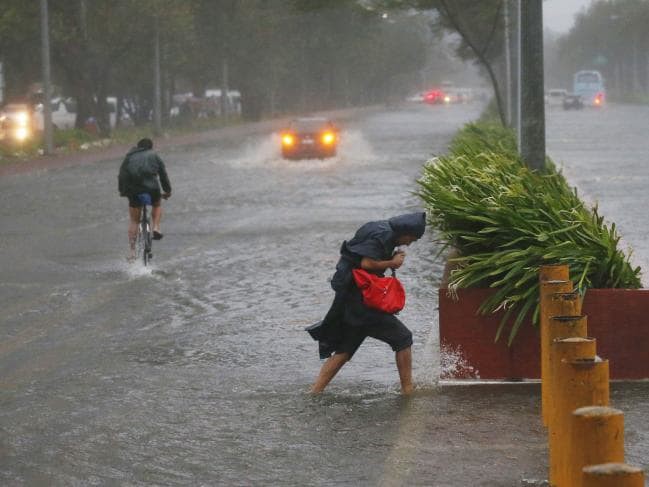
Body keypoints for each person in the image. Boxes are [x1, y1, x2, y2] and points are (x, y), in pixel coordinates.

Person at [307, 212, 426, 395]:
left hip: (352, 299)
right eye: (411, 238)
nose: (409, 243)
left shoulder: (378, 227)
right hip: (363, 302)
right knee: (403, 338)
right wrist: (393, 262)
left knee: (345, 350)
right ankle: (408, 391)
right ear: (405, 231)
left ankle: (315, 391)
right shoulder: (384, 235)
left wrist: (389, 257)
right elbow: (367, 263)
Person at [118, 138, 172, 260]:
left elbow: (122, 175)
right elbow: (163, 174)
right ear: (150, 147)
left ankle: (132, 252)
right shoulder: (154, 155)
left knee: (134, 221)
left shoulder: (129, 157)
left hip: (133, 190)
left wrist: (123, 191)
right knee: (157, 204)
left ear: (138, 147)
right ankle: (156, 227)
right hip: (152, 188)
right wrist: (167, 191)